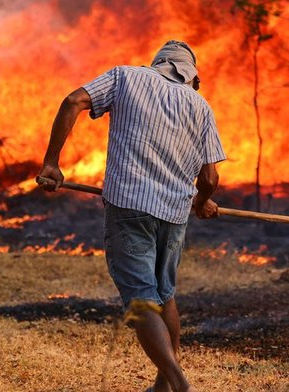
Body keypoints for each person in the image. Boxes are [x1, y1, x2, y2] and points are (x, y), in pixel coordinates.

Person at [37, 39, 226, 392]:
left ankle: (178, 382)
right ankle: (162, 387)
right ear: (191, 77)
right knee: (164, 294)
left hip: (129, 206)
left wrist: (52, 163)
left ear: (157, 64)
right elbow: (211, 179)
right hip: (173, 215)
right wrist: (202, 201)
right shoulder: (201, 107)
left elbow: (73, 101)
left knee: (141, 299)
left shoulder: (126, 77)